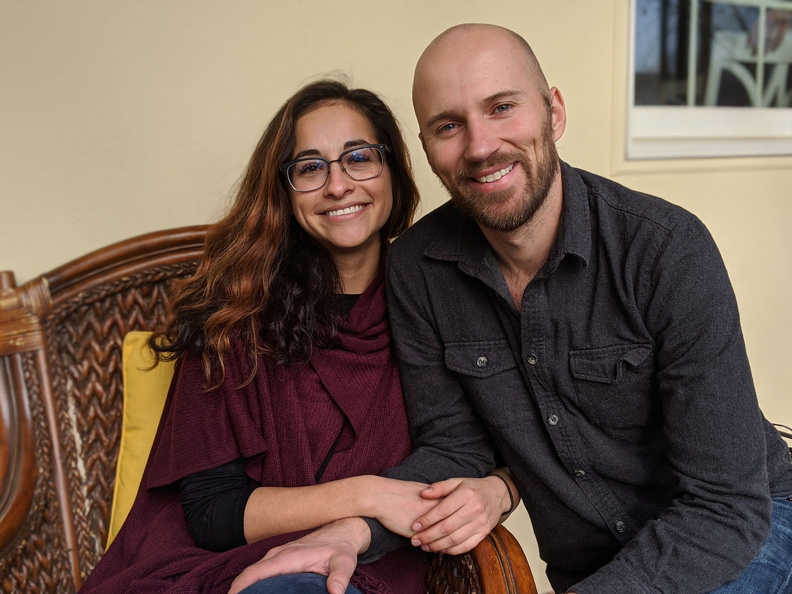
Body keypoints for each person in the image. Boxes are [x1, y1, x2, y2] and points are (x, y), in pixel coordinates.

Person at [229, 24, 792, 594]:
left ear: (554, 112)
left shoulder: (666, 248)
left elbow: (725, 507)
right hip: (594, 570)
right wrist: (354, 532)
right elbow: (454, 449)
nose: (479, 147)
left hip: (747, 536)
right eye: (449, 126)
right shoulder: (418, 269)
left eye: (501, 108)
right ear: (426, 147)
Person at [78, 78, 517, 594]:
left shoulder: (440, 302)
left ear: (394, 173)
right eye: (310, 168)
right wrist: (371, 495)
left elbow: (491, 451)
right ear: (283, 193)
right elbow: (212, 512)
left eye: (359, 158)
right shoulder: (235, 313)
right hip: (227, 569)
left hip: (374, 565)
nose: (338, 186)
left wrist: (500, 489)